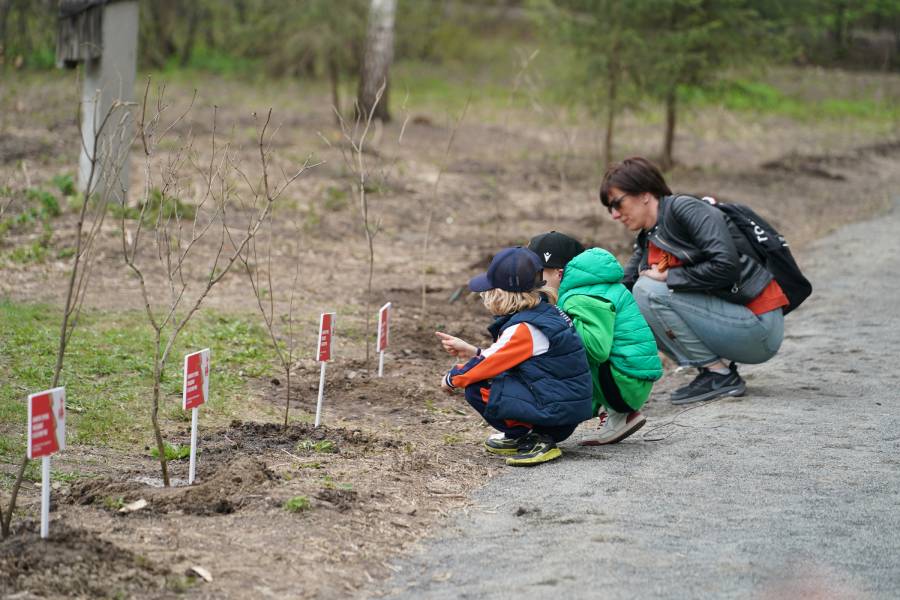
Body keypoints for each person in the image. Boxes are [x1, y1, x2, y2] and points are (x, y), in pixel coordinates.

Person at [599, 156, 787, 405]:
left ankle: (718, 374)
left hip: (759, 325)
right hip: (734, 324)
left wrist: (670, 277)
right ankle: (713, 372)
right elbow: (622, 290)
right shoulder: (649, 237)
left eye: (617, 203)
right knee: (631, 304)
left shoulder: (686, 209)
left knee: (647, 291)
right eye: (609, 208)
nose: (614, 214)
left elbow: (726, 266)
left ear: (644, 194)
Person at [436, 246, 593, 466]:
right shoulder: (544, 313)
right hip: (564, 406)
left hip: (556, 414)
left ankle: (535, 436)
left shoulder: (525, 328)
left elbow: (490, 364)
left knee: (476, 388)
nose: (485, 297)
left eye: (489, 292)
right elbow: (508, 357)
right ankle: (531, 432)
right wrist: (473, 351)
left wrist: (453, 378)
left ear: (504, 294)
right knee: (492, 377)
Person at [528, 232, 662, 445]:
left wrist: (555, 327)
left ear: (559, 274)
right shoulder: (591, 287)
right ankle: (613, 413)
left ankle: (611, 412)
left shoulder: (580, 298)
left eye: (538, 274)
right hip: (629, 378)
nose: (533, 282)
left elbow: (596, 349)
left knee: (555, 354)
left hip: (623, 383)